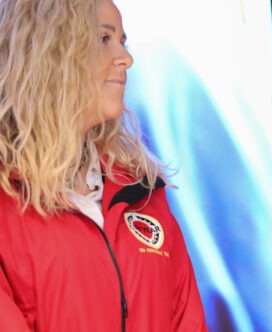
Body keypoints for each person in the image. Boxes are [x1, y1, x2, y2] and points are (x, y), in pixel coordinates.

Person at [0, 0, 207, 331]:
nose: (126, 58)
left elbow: (188, 320)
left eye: (122, 41)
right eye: (103, 39)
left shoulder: (144, 194)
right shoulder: (6, 200)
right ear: (49, 52)